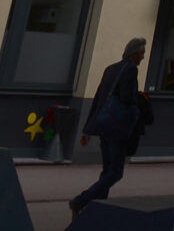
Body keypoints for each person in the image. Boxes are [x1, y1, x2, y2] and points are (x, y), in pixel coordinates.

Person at [68, 37, 154, 218]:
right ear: (134, 53)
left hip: (103, 125)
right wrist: (140, 99)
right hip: (118, 128)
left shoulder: (111, 69)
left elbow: (99, 99)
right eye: (142, 53)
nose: (143, 57)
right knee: (115, 173)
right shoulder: (130, 70)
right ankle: (81, 201)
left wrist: (87, 130)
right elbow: (126, 99)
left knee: (107, 170)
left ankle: (99, 209)